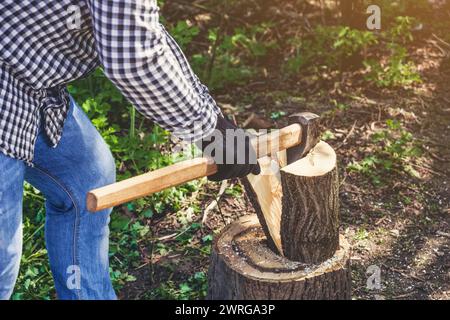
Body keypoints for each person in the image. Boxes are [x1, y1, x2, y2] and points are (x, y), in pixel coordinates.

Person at [0, 0, 260, 300]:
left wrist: (214, 122)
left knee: (85, 176)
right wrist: (210, 133)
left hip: (27, 83)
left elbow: (144, 34)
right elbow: (134, 60)